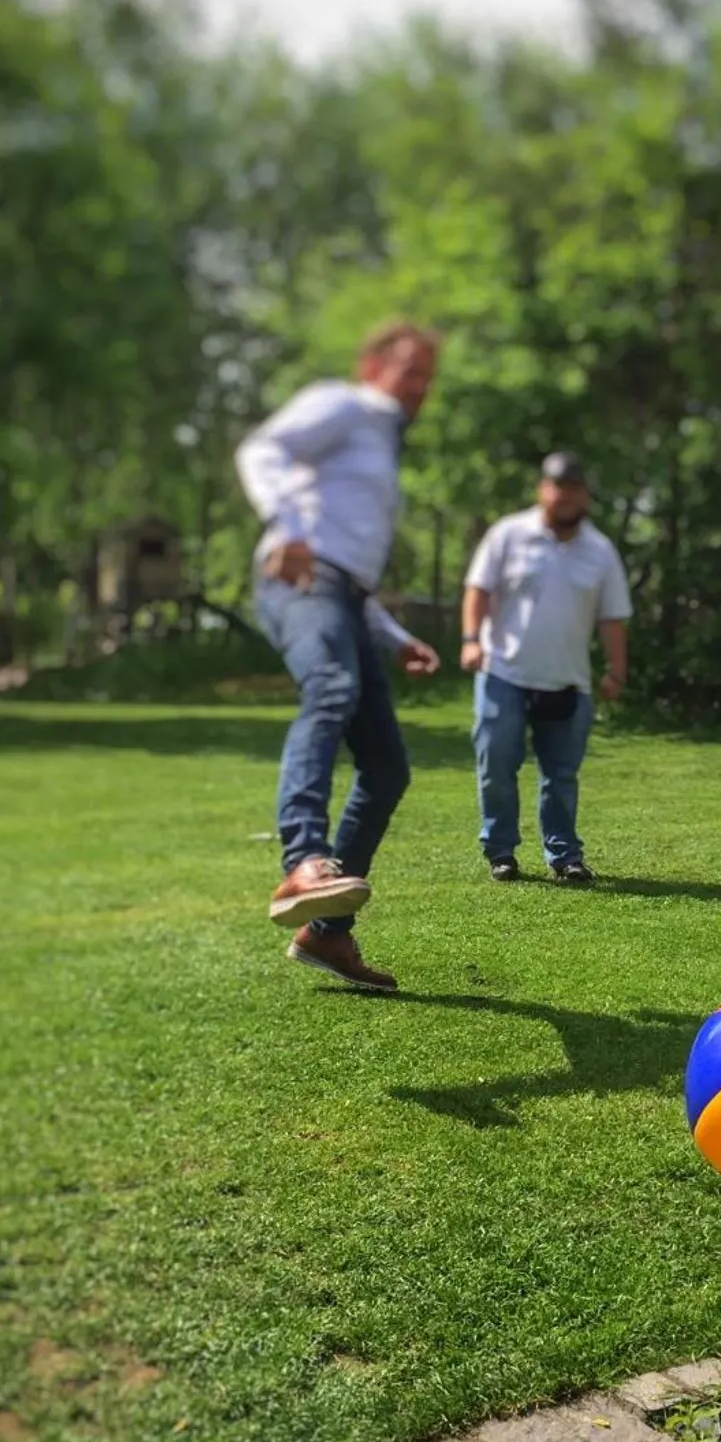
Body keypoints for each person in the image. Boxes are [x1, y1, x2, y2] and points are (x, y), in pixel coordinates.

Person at [232, 322, 444, 991]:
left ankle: (325, 934)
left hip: (343, 593)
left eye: (427, 377)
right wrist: (287, 529)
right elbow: (263, 447)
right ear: (372, 364)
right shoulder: (343, 404)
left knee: (386, 767)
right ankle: (302, 861)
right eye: (410, 370)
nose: (419, 388)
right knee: (329, 687)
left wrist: (390, 633)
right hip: (296, 574)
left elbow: (349, 571)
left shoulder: (378, 448)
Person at [459, 451, 632, 884]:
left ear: (585, 496)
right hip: (504, 672)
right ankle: (500, 851)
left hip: (568, 681)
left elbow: (612, 617)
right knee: (496, 764)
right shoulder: (508, 534)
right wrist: (469, 640)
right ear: (543, 489)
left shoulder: (600, 551)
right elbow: (477, 589)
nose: (565, 496)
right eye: (557, 486)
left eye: (574, 488)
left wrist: (616, 669)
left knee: (561, 775)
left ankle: (564, 856)